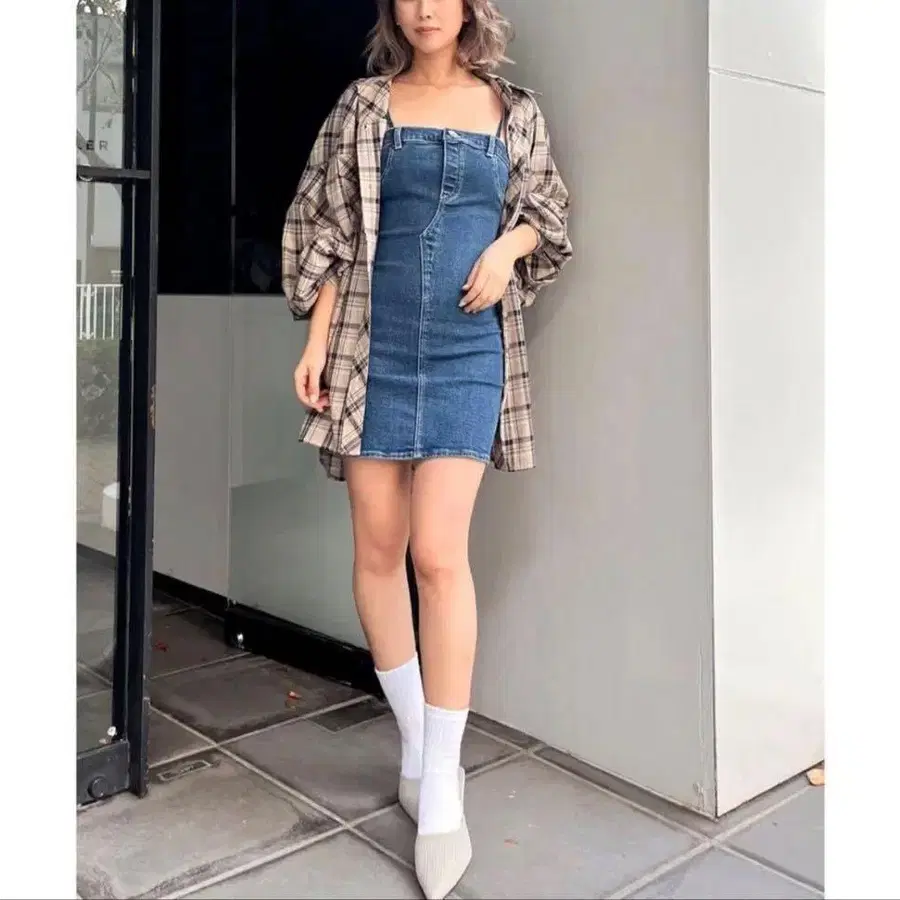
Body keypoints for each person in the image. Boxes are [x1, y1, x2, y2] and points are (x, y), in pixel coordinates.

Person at [282, 0, 572, 895]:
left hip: (467, 355)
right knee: (378, 552)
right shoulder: (364, 105)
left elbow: (550, 212)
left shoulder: (513, 109)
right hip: (370, 352)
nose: (423, 7)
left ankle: (441, 780)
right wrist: (315, 343)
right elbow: (329, 232)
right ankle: (416, 741)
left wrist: (509, 245)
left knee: (439, 558)